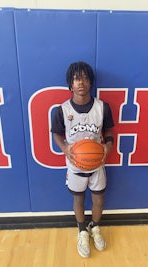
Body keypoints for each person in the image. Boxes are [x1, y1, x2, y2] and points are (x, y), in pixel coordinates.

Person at [51, 61, 114, 258]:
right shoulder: (61, 110)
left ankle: (94, 227)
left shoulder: (102, 107)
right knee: (78, 199)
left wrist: (108, 146)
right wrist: (65, 148)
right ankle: (82, 231)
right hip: (75, 165)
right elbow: (56, 134)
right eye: (77, 78)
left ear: (91, 83)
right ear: (70, 83)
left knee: (99, 200)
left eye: (85, 78)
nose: (81, 82)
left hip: (97, 165)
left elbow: (109, 130)